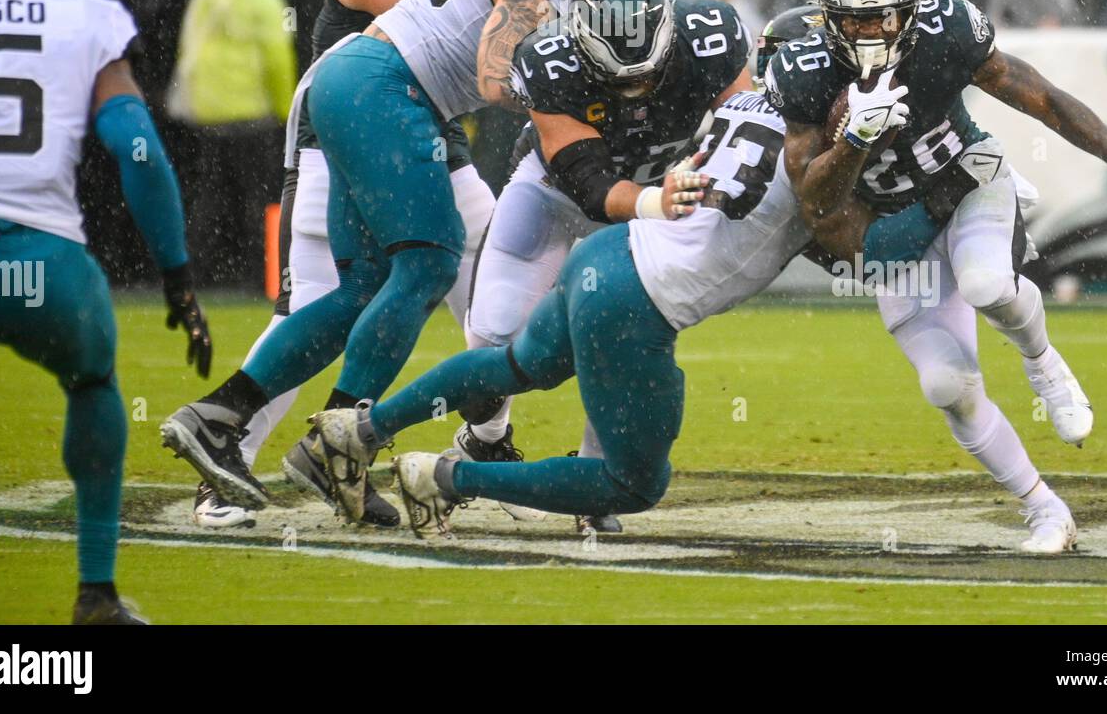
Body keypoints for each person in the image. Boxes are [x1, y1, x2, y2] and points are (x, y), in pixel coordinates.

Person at [161, 0, 683, 516]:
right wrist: (563, 100)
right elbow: (495, 75)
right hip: (386, 84)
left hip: (362, 82)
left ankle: (223, 418)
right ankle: (333, 441)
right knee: (431, 261)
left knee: (359, 289)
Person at [303, 57, 981, 533]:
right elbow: (870, 252)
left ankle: (360, 427)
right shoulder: (809, 159)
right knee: (633, 480)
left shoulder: (747, 105)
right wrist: (954, 189)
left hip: (610, 248)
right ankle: (443, 479)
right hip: (636, 301)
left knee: (515, 365)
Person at [176, 0, 539, 528]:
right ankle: (224, 464)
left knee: (497, 281)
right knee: (324, 296)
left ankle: (485, 443)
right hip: (343, 123)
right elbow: (431, 18)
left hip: (423, 130)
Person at [771, 0, 1107, 552]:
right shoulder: (802, 72)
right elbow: (817, 203)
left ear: (910, 9)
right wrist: (853, 140)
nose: (869, 33)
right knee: (945, 387)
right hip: (896, 226)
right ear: (828, 14)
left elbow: (1036, 93)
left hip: (968, 180)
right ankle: (1045, 511)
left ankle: (1044, 363)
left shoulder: (948, 30)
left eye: (882, 15)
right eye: (854, 18)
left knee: (988, 283)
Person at [0, 0, 210, 621]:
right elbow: (140, 152)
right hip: (47, 271)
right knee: (92, 382)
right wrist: (178, 277)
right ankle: (96, 591)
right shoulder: (86, 20)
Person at [458, 0, 747, 532]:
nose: (636, 89)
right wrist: (658, 203)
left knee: (617, 338)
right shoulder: (547, 59)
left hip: (651, 201)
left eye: (649, 71)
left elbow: (747, 125)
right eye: (620, 77)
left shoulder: (712, 34)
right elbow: (589, 187)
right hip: (553, 195)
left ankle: (595, 481)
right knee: (490, 339)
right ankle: (485, 439)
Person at [167, 0, 297, 293]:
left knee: (209, 198)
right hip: (250, 113)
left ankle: (192, 274)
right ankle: (265, 278)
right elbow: (277, 59)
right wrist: (288, 111)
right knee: (261, 197)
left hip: (208, 114)